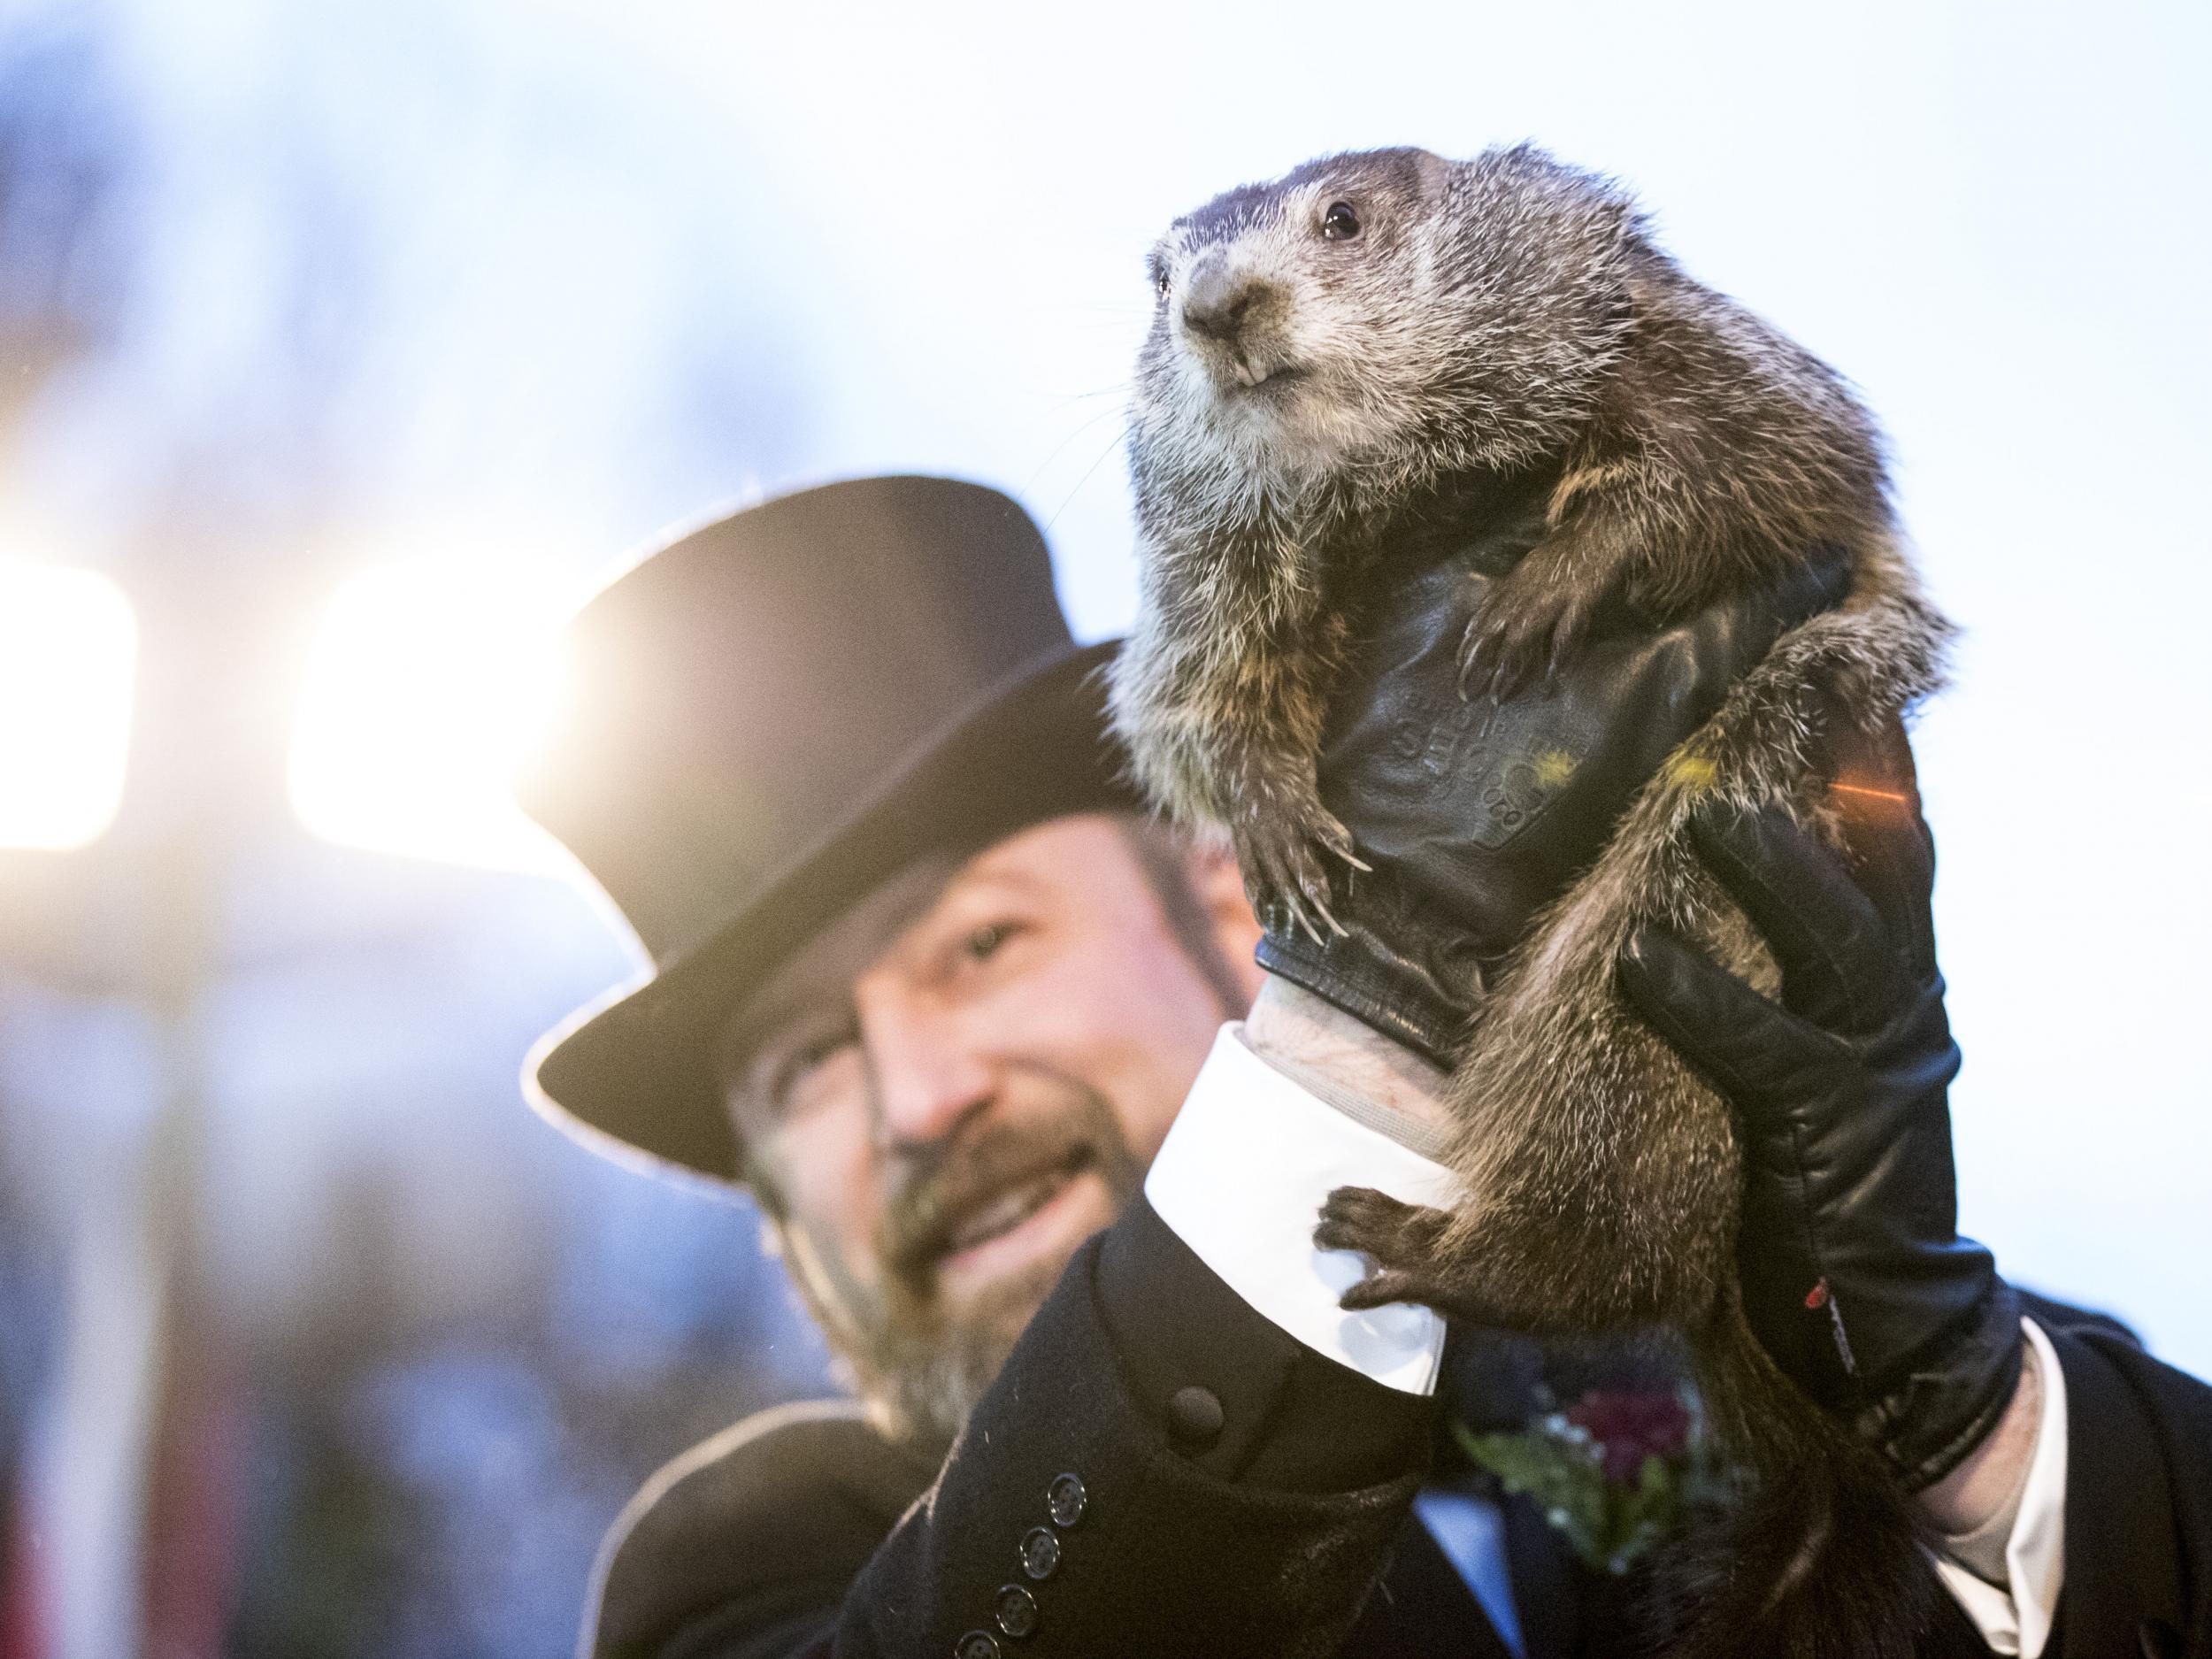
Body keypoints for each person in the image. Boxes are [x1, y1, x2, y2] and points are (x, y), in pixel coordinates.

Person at [518, 476, 2208, 1659]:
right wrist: (1372, 1032)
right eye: (807, 1063)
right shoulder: (748, 1567)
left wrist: (1952, 1424)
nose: (919, 1101)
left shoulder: (1715, 1368)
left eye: (984, 948)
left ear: (1232, 904)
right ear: (774, 1226)